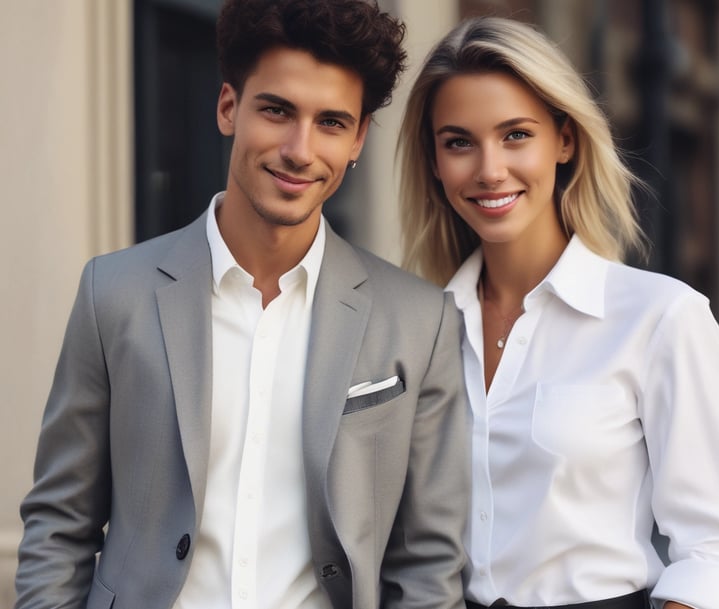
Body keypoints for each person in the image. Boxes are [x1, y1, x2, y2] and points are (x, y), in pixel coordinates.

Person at [14, 1, 470, 608]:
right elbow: (59, 524)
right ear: (229, 107)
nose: (300, 149)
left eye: (331, 122)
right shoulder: (113, 294)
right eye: (277, 111)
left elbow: (428, 565)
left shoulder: (419, 320)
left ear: (358, 138)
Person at [397, 15, 719, 609]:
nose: (489, 169)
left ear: (564, 140)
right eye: (459, 141)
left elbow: (715, 553)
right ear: (435, 163)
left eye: (516, 134)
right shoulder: (417, 327)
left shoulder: (660, 317)